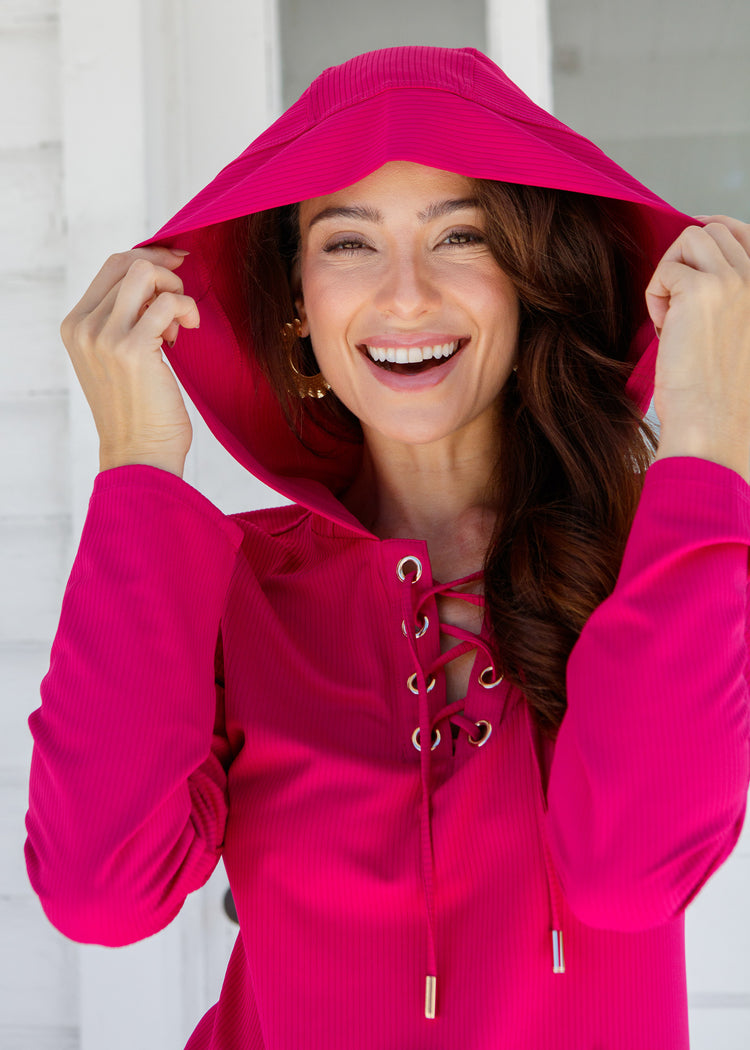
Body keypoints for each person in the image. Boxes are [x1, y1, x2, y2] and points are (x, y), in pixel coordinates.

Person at [24, 45, 750, 1049]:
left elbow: (634, 876)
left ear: (531, 279)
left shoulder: (661, 560)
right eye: (349, 244)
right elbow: (102, 894)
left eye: (463, 236)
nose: (405, 297)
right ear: (298, 305)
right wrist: (139, 460)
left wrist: (715, 442)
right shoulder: (226, 586)